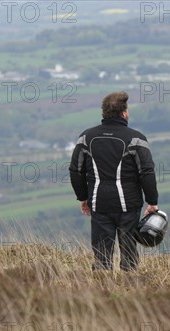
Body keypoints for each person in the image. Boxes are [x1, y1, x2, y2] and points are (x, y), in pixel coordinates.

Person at [69, 91, 159, 271]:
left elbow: (75, 171)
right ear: (124, 113)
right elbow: (146, 172)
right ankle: (129, 288)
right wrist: (152, 202)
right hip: (129, 205)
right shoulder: (136, 139)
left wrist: (83, 198)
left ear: (104, 113)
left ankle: (101, 292)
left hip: (99, 204)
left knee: (101, 255)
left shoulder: (86, 138)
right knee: (129, 254)